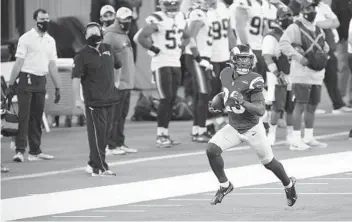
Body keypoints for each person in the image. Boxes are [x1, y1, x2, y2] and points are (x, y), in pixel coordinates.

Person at [206, 44, 297, 206]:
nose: (244, 63)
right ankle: (225, 185)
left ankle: (288, 184)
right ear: (233, 60)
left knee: (269, 163)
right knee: (212, 150)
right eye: (241, 60)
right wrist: (218, 103)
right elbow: (226, 93)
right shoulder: (225, 73)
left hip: (252, 129)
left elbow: (260, 110)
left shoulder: (254, 79)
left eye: (247, 60)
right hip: (234, 126)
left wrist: (242, 101)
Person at [6, 9, 61, 162]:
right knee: (24, 116)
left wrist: (58, 87)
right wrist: (11, 84)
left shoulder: (50, 41)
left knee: (36, 117)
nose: (45, 22)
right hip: (26, 79)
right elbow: (19, 63)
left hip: (40, 81)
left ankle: (35, 151)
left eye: (47, 19)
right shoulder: (26, 38)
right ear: (35, 20)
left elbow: (52, 66)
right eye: (42, 19)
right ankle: (20, 151)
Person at [135, 0, 186, 147]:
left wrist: (182, 45)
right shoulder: (157, 18)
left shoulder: (181, 17)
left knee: (171, 99)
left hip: (175, 62)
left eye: (173, 5)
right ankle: (160, 135)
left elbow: (187, 34)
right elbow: (140, 37)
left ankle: (165, 133)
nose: (171, 8)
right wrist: (154, 49)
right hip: (161, 63)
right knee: (165, 98)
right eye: (168, 5)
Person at [280, 0, 330, 150]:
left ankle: (308, 137)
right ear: (302, 10)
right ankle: (295, 140)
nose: (312, 10)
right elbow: (283, 44)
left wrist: (323, 56)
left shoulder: (319, 29)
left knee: (312, 106)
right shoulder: (295, 27)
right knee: (300, 105)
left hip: (316, 75)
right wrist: (299, 57)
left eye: (314, 7)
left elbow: (325, 45)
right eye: (309, 7)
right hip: (301, 74)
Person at [72, 22, 121, 176]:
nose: (93, 35)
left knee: (105, 134)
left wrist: (116, 84)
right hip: (94, 102)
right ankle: (100, 167)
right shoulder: (81, 55)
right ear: (85, 36)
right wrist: (77, 100)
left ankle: (92, 163)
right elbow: (75, 79)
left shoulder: (108, 49)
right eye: (90, 33)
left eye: (96, 32)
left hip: (110, 99)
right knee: (97, 135)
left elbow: (118, 66)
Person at [234, 0, 282, 134]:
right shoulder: (244, 3)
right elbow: (240, 27)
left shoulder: (266, 5)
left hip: (262, 49)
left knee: (262, 87)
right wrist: (247, 49)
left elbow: (266, 29)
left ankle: (259, 121)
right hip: (249, 49)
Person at [104, 7, 138, 155]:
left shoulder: (124, 34)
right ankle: (110, 145)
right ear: (118, 19)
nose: (128, 21)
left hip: (127, 82)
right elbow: (104, 58)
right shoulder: (110, 35)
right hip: (118, 82)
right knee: (115, 116)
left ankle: (119, 142)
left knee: (122, 115)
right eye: (124, 19)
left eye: (129, 19)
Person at [184, 0, 215, 143]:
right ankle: (201, 130)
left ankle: (196, 129)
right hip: (197, 57)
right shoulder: (197, 14)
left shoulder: (204, 14)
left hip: (203, 56)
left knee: (200, 94)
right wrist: (197, 57)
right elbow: (189, 36)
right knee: (203, 93)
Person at [263, 6, 294, 146]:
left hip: (292, 73)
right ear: (278, 18)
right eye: (285, 16)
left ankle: (291, 135)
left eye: (289, 15)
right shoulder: (271, 36)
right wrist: (277, 73)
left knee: (291, 106)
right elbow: (268, 58)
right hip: (277, 75)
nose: (288, 18)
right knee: (277, 106)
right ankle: (271, 134)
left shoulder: (293, 34)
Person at [315, 0, 352, 114]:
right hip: (316, 47)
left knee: (332, 77)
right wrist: (329, 22)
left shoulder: (325, 7)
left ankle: (338, 104)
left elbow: (337, 23)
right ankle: (312, 105)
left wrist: (327, 23)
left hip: (329, 46)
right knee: (316, 78)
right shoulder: (309, 7)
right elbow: (315, 24)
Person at [331, 0, 352, 106]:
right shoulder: (338, 1)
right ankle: (341, 97)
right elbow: (333, 19)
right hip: (344, 39)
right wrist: (340, 37)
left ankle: (350, 98)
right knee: (344, 68)